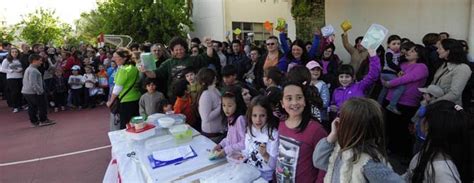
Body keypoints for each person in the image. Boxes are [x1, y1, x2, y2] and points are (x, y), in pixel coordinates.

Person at [313, 98, 402, 183]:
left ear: (350, 127)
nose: (337, 120)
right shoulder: (340, 147)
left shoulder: (369, 163)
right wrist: (331, 137)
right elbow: (319, 162)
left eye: (341, 118)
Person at [405, 100, 472, 183]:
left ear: (428, 125)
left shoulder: (442, 171)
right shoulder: (429, 151)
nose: (421, 119)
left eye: (425, 116)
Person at [382, 44, 429, 161]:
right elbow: (387, 76)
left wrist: (390, 83)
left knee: (404, 130)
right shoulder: (401, 65)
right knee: (391, 127)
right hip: (390, 99)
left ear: (419, 55)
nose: (408, 52)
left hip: (407, 103)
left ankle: (405, 156)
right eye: (409, 49)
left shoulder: (421, 67)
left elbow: (407, 78)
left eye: (413, 51)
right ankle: (391, 150)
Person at [276, 81, 327, 183]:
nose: (294, 103)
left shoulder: (316, 130)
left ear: (304, 101)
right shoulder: (280, 124)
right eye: (289, 98)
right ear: (282, 103)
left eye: (299, 97)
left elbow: (324, 164)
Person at [142, 36, 214, 103]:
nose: (179, 52)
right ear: (172, 50)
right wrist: (146, 71)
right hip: (174, 97)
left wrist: (209, 45)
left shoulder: (192, 59)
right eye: (176, 50)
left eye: (181, 49)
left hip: (191, 96)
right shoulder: (168, 63)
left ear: (185, 49)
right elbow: (155, 74)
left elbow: (208, 56)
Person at [329, 48, 380, 113]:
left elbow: (373, 75)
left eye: (347, 77)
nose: (344, 79)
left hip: (358, 120)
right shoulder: (336, 91)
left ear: (353, 77)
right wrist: (333, 108)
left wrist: (373, 57)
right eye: (341, 77)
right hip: (342, 120)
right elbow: (333, 105)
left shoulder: (360, 86)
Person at [241, 96, 279, 181]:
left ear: (268, 115)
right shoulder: (249, 129)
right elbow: (247, 152)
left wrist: (265, 155)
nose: (258, 119)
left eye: (262, 115)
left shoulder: (273, 134)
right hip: (250, 173)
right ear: (250, 116)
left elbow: (274, 165)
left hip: (265, 178)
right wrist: (240, 155)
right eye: (254, 115)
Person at [106, 48, 141, 129]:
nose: (114, 59)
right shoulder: (133, 67)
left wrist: (110, 101)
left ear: (124, 58)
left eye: (116, 57)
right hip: (136, 98)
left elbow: (117, 88)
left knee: (126, 125)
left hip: (126, 101)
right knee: (137, 123)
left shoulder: (124, 70)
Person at [431, 38, 472, 106]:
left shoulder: (462, 68)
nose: (437, 50)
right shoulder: (445, 64)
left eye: (440, 48)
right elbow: (435, 81)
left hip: (447, 108)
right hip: (435, 103)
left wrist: (434, 102)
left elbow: (454, 94)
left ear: (448, 51)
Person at [21, 54, 55, 127]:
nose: (41, 62)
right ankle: (43, 120)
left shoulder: (29, 69)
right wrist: (40, 91)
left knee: (32, 107)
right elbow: (34, 83)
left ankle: (34, 121)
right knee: (42, 106)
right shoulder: (33, 70)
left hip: (27, 91)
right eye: (40, 61)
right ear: (34, 61)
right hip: (34, 92)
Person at [213, 87, 247, 157]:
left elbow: (244, 143)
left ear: (237, 104)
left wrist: (226, 150)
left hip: (239, 157)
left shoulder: (240, 119)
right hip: (231, 156)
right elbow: (229, 138)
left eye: (230, 106)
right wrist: (220, 145)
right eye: (224, 105)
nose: (226, 109)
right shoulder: (231, 118)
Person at [411, 85, 444, 154]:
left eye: (426, 94)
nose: (423, 95)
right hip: (420, 132)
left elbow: (421, 114)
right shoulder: (429, 104)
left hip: (424, 136)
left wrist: (423, 105)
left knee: (419, 151)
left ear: (433, 97)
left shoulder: (431, 107)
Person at [377, 35, 404, 114]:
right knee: (401, 87)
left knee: (385, 89)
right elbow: (390, 63)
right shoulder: (389, 52)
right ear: (388, 45)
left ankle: (378, 105)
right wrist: (398, 69)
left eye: (398, 44)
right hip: (388, 73)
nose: (396, 46)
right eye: (394, 43)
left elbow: (400, 59)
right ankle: (392, 105)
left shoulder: (397, 53)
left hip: (386, 74)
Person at [196, 68, 225, 142]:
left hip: (220, 132)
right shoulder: (206, 94)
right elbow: (206, 118)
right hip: (211, 135)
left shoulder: (215, 89)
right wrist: (221, 107)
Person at [1, 48, 23, 113]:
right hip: (11, 78)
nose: (14, 53)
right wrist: (12, 71)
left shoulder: (20, 59)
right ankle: (15, 106)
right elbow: (2, 69)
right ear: (10, 53)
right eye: (13, 52)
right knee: (14, 92)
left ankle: (20, 105)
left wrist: (21, 70)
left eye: (16, 52)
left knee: (20, 92)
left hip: (20, 77)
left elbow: (22, 67)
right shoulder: (6, 60)